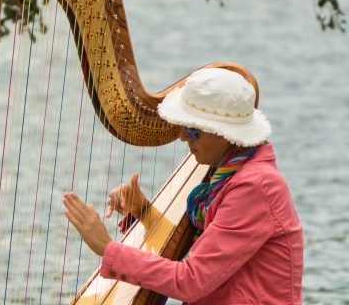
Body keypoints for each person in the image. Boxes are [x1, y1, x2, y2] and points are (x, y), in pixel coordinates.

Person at [63, 67, 303, 304]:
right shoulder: (228, 171)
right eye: (183, 126)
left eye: (193, 130)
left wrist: (107, 249)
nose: (182, 137)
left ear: (226, 133)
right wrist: (143, 211)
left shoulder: (255, 187)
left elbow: (191, 281)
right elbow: (203, 247)